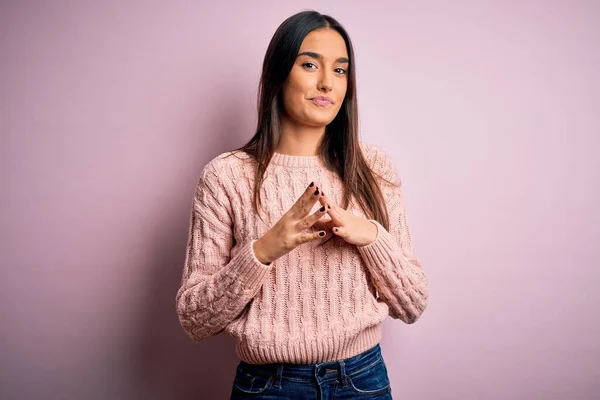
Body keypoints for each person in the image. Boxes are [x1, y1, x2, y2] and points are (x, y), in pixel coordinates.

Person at [175, 10, 429, 399]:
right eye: (310, 65)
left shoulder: (371, 168)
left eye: (340, 70)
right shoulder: (226, 176)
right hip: (267, 386)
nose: (327, 82)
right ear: (279, 74)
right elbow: (194, 319)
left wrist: (371, 237)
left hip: (361, 381)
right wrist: (262, 250)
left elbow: (412, 304)